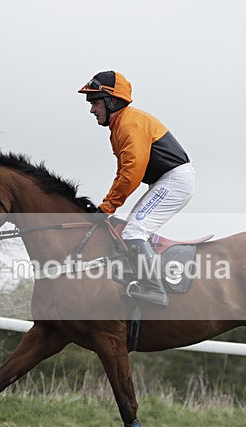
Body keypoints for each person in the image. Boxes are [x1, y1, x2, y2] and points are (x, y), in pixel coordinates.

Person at [78, 70, 196, 307]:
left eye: (95, 103)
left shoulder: (129, 123)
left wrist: (107, 206)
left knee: (134, 231)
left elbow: (132, 172)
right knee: (133, 230)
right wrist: (106, 205)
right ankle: (145, 278)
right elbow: (124, 173)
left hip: (174, 180)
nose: (92, 110)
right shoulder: (120, 125)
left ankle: (155, 288)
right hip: (166, 180)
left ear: (112, 101)